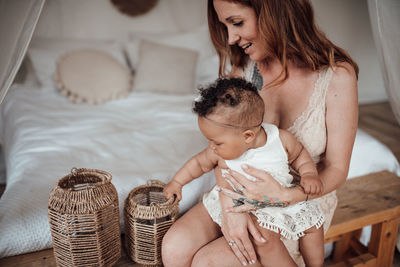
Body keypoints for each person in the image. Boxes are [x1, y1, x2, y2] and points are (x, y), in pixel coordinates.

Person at [162, 0, 358, 266]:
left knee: (208, 263)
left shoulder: (337, 76)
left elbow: (336, 169)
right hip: (234, 192)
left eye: (237, 22)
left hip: (296, 204)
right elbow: (221, 152)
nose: (231, 38)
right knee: (174, 248)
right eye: (225, 26)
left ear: (274, 10)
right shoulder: (244, 71)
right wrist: (231, 206)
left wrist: (289, 196)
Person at [163, 77, 326, 266]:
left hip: (268, 206)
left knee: (308, 227)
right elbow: (198, 164)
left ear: (248, 136)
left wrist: (309, 174)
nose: (211, 147)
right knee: (175, 245)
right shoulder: (221, 152)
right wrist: (177, 182)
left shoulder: (280, 140)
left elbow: (299, 155)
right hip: (228, 201)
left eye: (217, 142)